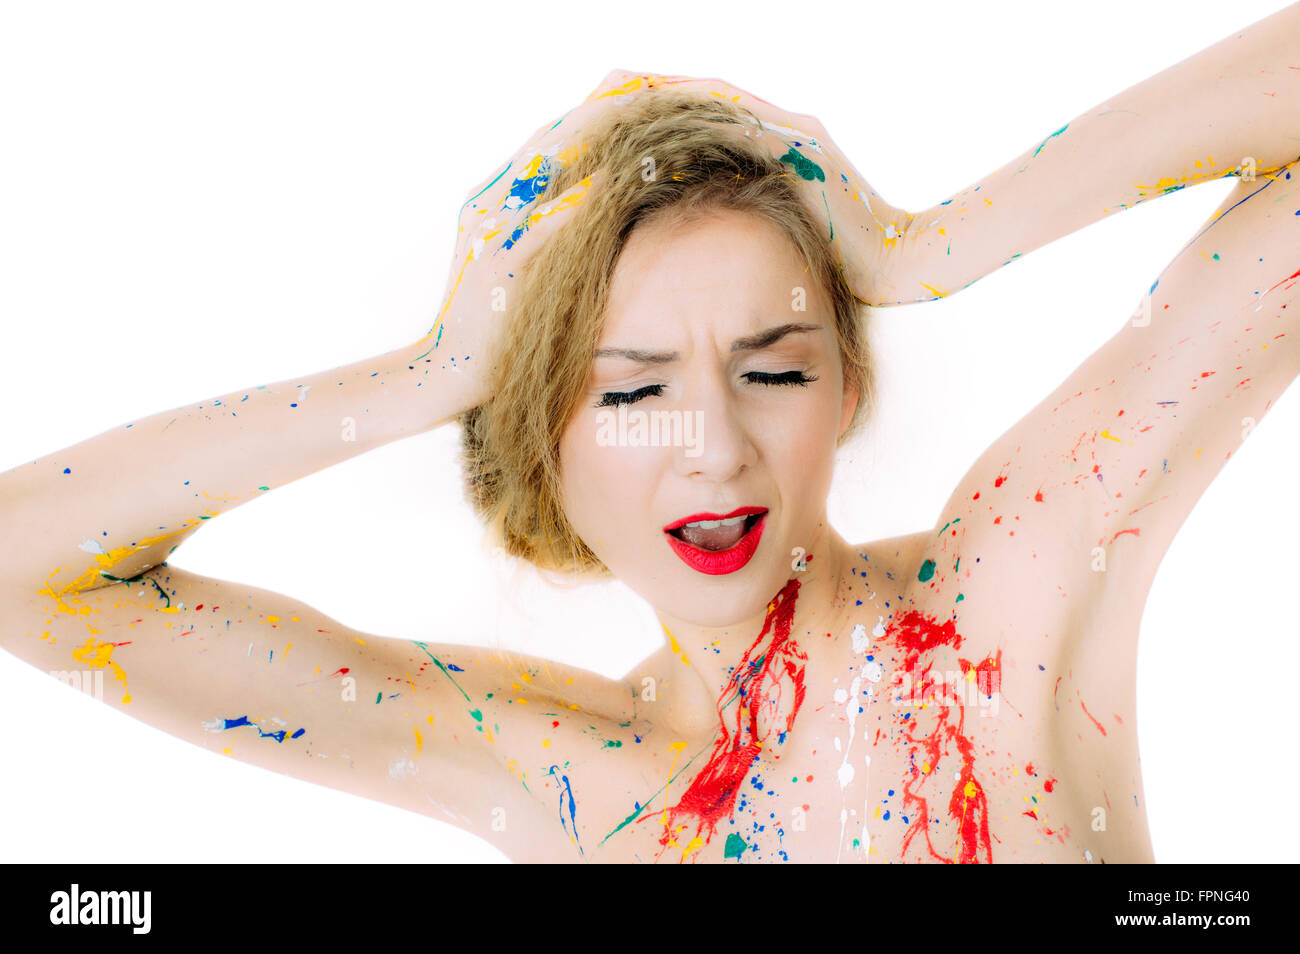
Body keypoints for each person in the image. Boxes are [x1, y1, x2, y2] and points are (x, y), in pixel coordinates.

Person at [2, 4, 1296, 863]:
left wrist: (933, 243)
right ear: (541, 447)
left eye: (771, 368)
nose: (715, 445)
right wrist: (429, 373)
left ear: (846, 386)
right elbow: (29, 572)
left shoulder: (1011, 596)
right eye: (631, 391)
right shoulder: (555, 765)